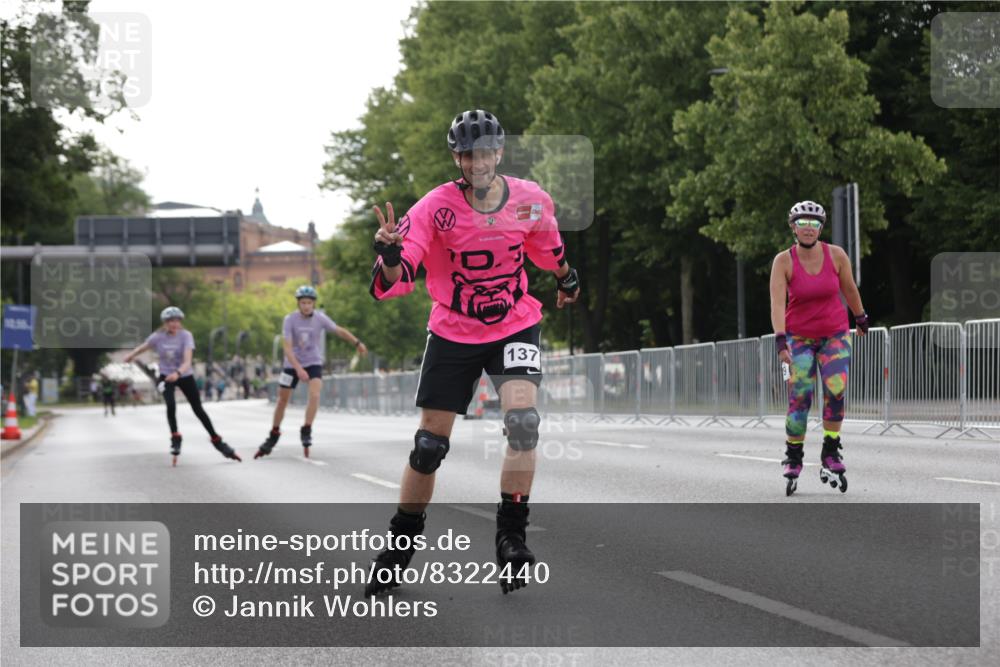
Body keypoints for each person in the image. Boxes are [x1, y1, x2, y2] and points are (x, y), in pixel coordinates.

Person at [364, 109, 580, 595]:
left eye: (484, 152)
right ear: (456, 157)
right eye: (466, 154)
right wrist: (393, 255)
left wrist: (567, 279)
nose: (476, 162)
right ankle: (401, 544)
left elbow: (549, 247)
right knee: (428, 448)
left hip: (514, 324)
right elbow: (399, 272)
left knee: (524, 424)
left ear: (499, 153)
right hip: (453, 330)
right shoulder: (435, 207)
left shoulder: (529, 199)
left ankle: (512, 537)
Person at [769, 200, 868, 496]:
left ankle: (830, 452)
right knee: (800, 396)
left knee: (836, 389)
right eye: (803, 223)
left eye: (814, 224)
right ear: (793, 227)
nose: (808, 228)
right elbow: (776, 303)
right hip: (798, 337)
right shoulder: (783, 261)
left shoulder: (836, 255)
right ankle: (794, 455)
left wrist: (861, 316)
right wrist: (780, 340)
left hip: (834, 334)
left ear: (821, 228)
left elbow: (849, 288)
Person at [255, 285, 368, 459]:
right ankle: (274, 433)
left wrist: (357, 342)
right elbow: (287, 348)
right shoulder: (289, 320)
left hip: (313, 361)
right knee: (282, 400)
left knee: (315, 395)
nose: (306, 306)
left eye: (309, 303)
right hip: (292, 364)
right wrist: (298, 369)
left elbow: (339, 330)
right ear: (298, 304)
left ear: (313, 304)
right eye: (303, 303)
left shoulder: (320, 318)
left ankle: (306, 429)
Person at [123, 306, 241, 465]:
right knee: (170, 405)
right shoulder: (158, 337)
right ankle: (175, 438)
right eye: (171, 321)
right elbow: (144, 347)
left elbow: (187, 362)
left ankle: (217, 440)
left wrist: (177, 374)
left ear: (180, 322)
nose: (174, 324)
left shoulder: (186, 336)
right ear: (165, 323)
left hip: (184, 375)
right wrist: (130, 355)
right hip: (165, 376)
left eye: (177, 321)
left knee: (198, 409)